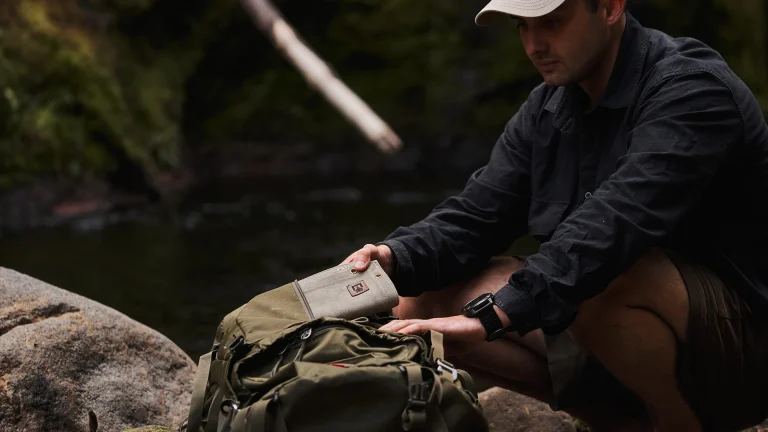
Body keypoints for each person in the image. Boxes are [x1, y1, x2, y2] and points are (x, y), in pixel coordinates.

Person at [342, 0, 768, 430]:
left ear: (610, 8)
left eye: (550, 22)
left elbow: (611, 227)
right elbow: (475, 216)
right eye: (523, 27)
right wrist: (394, 257)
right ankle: (612, 419)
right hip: (624, 331)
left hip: (744, 344)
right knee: (419, 301)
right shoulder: (548, 107)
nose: (534, 44)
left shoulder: (691, 90)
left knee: (601, 278)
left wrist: (490, 316)